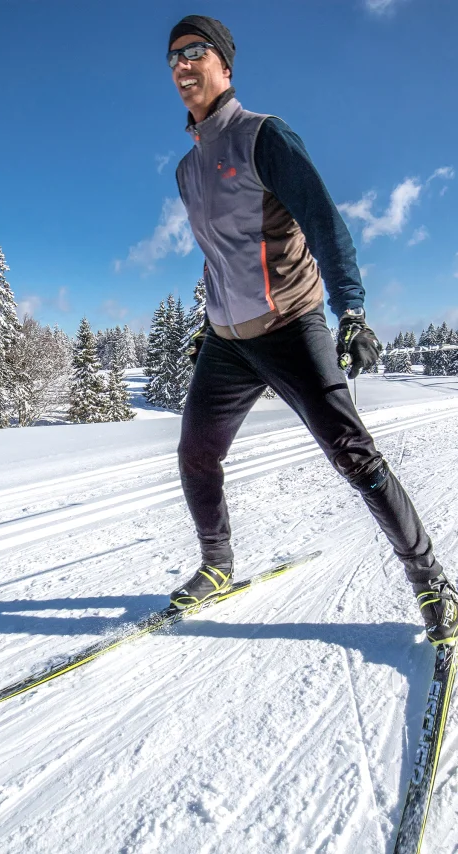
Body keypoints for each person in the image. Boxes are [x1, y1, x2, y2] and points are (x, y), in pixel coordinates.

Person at [166, 14, 458, 645]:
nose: (182, 67)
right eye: (173, 60)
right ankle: (217, 565)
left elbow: (325, 222)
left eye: (194, 53)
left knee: (353, 456)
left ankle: (431, 579)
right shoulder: (187, 172)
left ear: (225, 64)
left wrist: (350, 310)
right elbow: (220, 253)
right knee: (196, 452)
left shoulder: (262, 136)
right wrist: (210, 318)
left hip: (292, 324)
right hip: (227, 341)